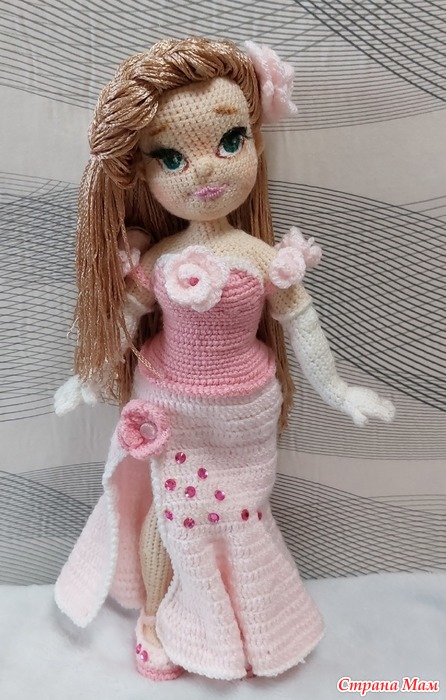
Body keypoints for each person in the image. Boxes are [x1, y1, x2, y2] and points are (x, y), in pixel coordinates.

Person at [54, 37, 395, 681]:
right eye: (172, 157)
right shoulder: (159, 261)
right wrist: (89, 376)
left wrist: (338, 388)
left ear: (255, 143)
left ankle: (237, 616)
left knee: (239, 514)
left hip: (242, 415)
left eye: (230, 141)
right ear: (145, 172)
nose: (205, 172)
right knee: (170, 513)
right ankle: (155, 615)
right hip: (169, 405)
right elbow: (125, 320)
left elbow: (301, 321)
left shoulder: (263, 259)